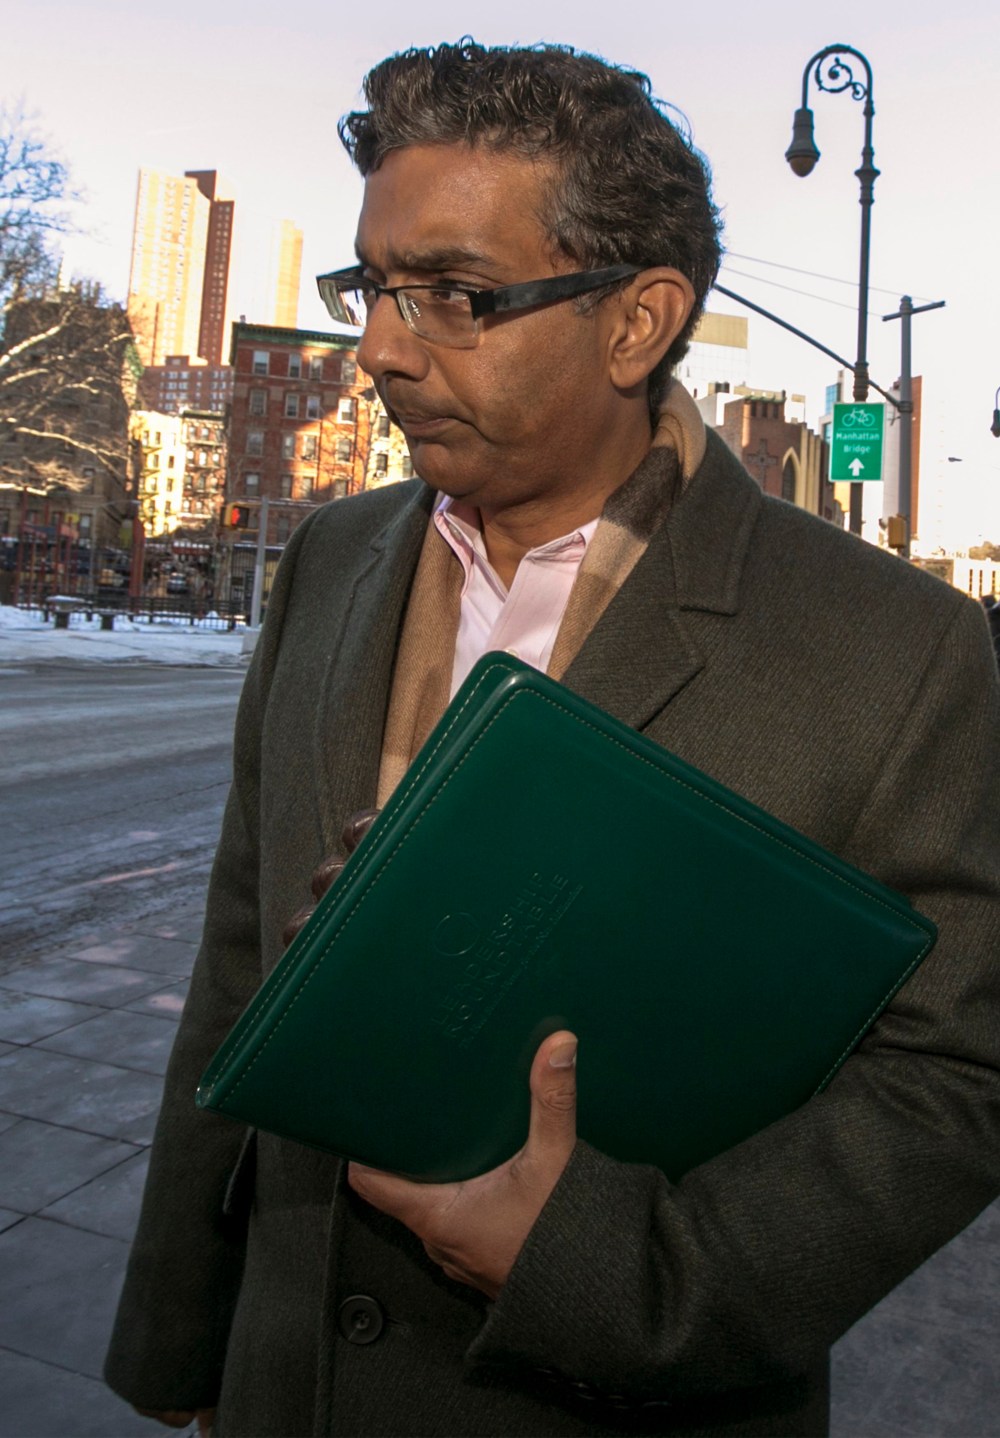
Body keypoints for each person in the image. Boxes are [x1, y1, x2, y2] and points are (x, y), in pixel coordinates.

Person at [105, 41, 1000, 1438]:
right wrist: (185, 1353)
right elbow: (241, 961)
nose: (383, 351)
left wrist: (615, 1270)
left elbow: (955, 1074)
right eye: (375, 288)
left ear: (639, 323)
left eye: (456, 295)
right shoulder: (331, 562)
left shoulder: (901, 649)